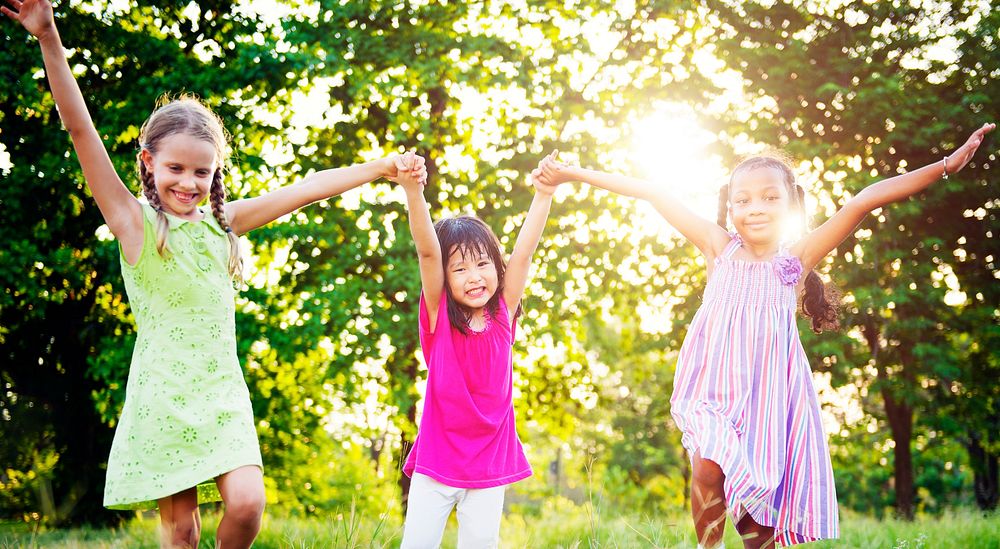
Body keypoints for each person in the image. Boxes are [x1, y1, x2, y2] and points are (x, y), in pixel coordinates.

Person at [4, 0, 426, 546]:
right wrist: (49, 38)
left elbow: (305, 188)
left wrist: (379, 168)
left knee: (248, 505)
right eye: (175, 168)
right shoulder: (133, 222)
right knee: (180, 532)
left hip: (221, 393)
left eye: (201, 171)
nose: (188, 182)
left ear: (214, 172)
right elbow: (81, 131)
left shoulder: (223, 223)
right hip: (162, 393)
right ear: (149, 162)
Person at [533, 123, 994, 548]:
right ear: (729, 207)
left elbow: (863, 201)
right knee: (707, 465)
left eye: (770, 198)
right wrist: (573, 172)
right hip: (710, 393)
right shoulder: (718, 247)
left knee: (760, 530)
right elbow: (653, 191)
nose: (755, 208)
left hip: (768, 404)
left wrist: (946, 166)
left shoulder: (796, 259)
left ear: (791, 204)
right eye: (744, 200)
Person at [395, 153, 560, 548]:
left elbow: (524, 253)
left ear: (496, 268)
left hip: (488, 465)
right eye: (460, 269)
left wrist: (544, 194)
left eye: (483, 264)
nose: (474, 277)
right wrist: (413, 191)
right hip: (437, 463)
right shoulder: (438, 320)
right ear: (445, 279)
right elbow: (428, 252)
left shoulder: (503, 314)